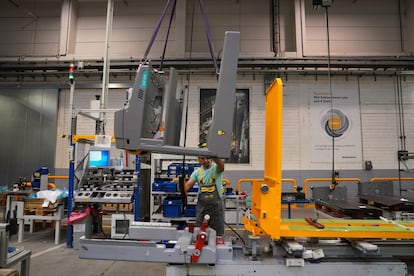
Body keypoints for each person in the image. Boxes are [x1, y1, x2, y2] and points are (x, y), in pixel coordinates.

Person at [185, 156, 225, 236]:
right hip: (202, 208)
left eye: (208, 158)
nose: (206, 160)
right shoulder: (197, 172)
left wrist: (213, 154)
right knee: (199, 231)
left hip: (216, 208)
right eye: (203, 158)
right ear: (199, 160)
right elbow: (188, 185)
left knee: (218, 233)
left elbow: (221, 166)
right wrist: (182, 190)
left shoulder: (216, 169)